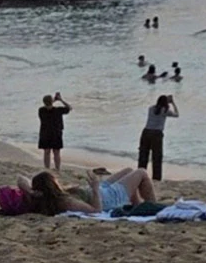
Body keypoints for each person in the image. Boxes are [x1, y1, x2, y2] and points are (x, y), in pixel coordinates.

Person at [17, 168, 158, 215]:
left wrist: (31, 191)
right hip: (105, 198)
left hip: (99, 190)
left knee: (128, 170)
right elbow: (96, 211)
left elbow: (20, 179)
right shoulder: (65, 201)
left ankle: (137, 206)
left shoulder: (40, 196)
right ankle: (153, 207)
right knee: (141, 173)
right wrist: (95, 189)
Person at [137, 94, 176, 180]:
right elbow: (176, 114)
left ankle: (140, 175)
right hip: (156, 134)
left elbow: (157, 109)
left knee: (143, 156)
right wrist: (173, 103)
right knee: (157, 157)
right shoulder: (165, 111)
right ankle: (156, 178)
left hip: (146, 132)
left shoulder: (151, 108)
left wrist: (166, 101)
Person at [37, 92, 72, 170]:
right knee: (56, 152)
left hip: (45, 133)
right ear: (52, 101)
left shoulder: (41, 110)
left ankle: (47, 168)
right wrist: (61, 100)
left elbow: (48, 104)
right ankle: (57, 168)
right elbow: (69, 108)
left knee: (46, 152)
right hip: (56, 133)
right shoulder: (58, 110)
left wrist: (53, 100)